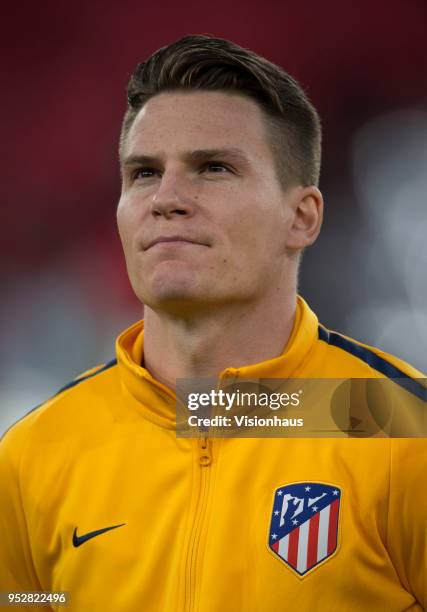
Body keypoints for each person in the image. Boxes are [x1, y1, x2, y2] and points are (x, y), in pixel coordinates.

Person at [0, 35, 426, 612]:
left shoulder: (399, 428)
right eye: (144, 173)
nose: (167, 198)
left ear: (301, 217)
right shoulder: (34, 454)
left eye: (214, 167)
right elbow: (26, 600)